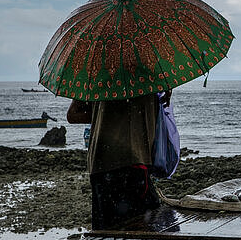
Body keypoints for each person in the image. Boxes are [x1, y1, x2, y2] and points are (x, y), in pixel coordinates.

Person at [67, 89, 171, 229]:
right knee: (149, 230)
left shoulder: (95, 76)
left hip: (101, 162)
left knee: (106, 232)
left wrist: (105, 113)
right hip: (134, 160)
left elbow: (73, 115)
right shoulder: (152, 79)